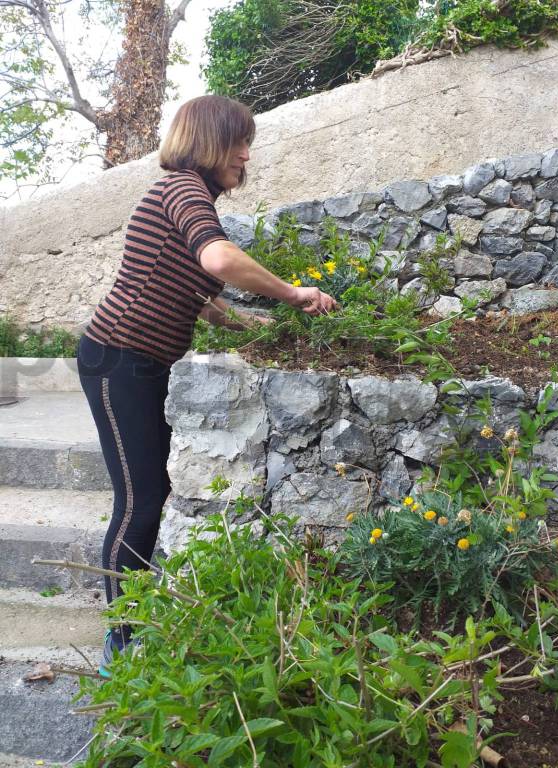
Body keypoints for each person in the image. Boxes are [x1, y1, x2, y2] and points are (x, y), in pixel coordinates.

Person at [77, 95, 337, 675]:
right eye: (239, 141)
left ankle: (134, 627)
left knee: (149, 495)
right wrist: (293, 293)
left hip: (139, 359)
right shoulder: (184, 188)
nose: (248, 154)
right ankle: (120, 647)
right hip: (118, 358)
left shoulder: (187, 195)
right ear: (210, 143)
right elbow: (217, 260)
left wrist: (248, 321)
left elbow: (197, 286)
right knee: (138, 501)